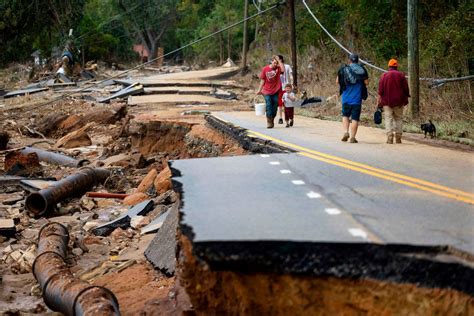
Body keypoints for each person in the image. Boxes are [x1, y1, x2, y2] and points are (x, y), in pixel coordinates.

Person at [337, 53, 368, 143]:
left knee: (345, 116)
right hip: (357, 99)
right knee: (355, 118)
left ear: (349, 60)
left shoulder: (343, 69)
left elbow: (337, 81)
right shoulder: (362, 70)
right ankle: (353, 137)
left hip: (346, 98)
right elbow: (366, 83)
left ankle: (346, 132)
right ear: (357, 60)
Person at [377, 58, 410, 144]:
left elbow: (380, 91)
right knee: (399, 119)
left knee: (388, 119)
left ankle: (390, 137)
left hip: (387, 102)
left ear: (389, 66)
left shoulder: (384, 75)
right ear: (396, 66)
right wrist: (406, 98)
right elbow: (406, 89)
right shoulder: (401, 75)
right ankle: (398, 138)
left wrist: (378, 102)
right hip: (399, 102)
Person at [257, 55, 285, 128]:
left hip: (275, 90)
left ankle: (272, 118)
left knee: (275, 105)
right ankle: (269, 121)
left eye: (277, 63)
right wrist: (259, 90)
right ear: (271, 61)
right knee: (269, 104)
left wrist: (279, 61)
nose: (275, 64)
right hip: (266, 90)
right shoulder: (265, 69)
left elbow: (283, 70)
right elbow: (262, 80)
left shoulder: (278, 69)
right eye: (274, 62)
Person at [277, 55, 293, 124]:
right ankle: (280, 118)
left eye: (277, 59)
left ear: (280, 60)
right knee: (280, 104)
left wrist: (291, 83)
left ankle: (289, 117)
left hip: (286, 88)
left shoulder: (287, 66)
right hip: (278, 88)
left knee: (287, 104)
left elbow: (291, 75)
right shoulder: (276, 68)